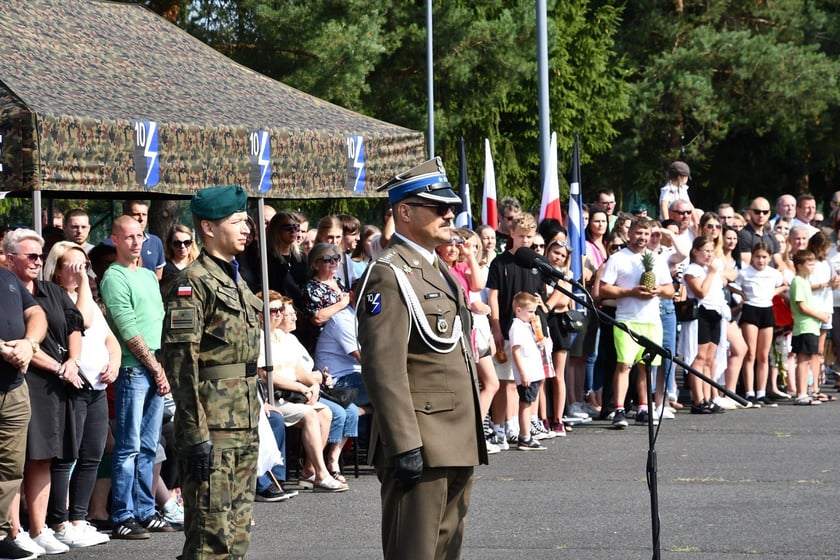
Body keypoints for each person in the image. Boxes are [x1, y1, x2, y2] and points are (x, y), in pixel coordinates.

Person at [357, 157, 487, 560]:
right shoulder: (389, 272)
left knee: (446, 551)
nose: (450, 214)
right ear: (405, 212)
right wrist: (404, 443)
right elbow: (383, 367)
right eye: (439, 207)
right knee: (414, 552)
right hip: (422, 440)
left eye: (451, 207)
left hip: (455, 436)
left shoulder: (439, 268)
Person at [161, 185, 263, 558]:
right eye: (236, 221)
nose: (246, 228)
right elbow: (181, 362)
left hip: (243, 420)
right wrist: (194, 431)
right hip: (213, 426)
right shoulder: (193, 283)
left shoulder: (235, 278)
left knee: (236, 533)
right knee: (209, 536)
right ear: (207, 227)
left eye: (245, 221)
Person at [5, 230, 86, 555]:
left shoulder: (51, 290)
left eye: (41, 256)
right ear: (10, 258)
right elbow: (19, 341)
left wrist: (73, 361)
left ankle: (39, 530)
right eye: (31, 256)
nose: (38, 262)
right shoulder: (7, 289)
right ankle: (13, 530)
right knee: (13, 462)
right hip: (24, 379)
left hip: (56, 385)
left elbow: (75, 325)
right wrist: (58, 366)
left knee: (43, 458)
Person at [100, 215, 172, 539]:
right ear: (114, 239)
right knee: (127, 446)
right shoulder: (113, 277)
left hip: (154, 365)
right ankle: (122, 514)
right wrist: (155, 368)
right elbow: (128, 329)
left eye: (139, 235)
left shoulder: (147, 275)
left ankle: (145, 509)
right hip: (132, 369)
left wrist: (160, 365)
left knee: (148, 444)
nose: (135, 241)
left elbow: (157, 321)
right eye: (128, 236)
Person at [42, 242, 118, 548]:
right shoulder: (54, 298)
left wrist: (113, 362)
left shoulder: (90, 299)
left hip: (98, 387)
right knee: (66, 456)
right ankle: (59, 521)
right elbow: (82, 320)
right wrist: (85, 282)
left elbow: (108, 336)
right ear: (58, 270)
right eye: (72, 266)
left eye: (83, 265)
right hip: (73, 386)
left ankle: (79, 517)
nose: (80, 271)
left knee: (92, 455)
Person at [256, 292, 347, 493]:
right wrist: (301, 387)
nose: (279, 314)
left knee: (326, 412)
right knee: (310, 415)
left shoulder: (281, 336)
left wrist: (312, 386)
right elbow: (264, 374)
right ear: (261, 314)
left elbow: (298, 369)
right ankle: (322, 474)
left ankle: (310, 469)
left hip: (294, 394)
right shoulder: (259, 338)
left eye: (281, 310)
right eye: (274, 310)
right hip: (274, 397)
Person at [599, 216, 674, 428]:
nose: (642, 237)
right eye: (638, 233)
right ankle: (619, 409)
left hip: (651, 320)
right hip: (627, 320)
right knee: (624, 364)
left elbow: (670, 289)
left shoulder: (656, 259)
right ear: (630, 233)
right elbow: (604, 288)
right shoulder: (618, 258)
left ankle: (643, 407)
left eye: (646, 234)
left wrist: (657, 290)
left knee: (646, 366)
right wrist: (630, 292)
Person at [0, 251, 46, 560]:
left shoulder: (7, 277)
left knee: (10, 467)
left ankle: (1, 533)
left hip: (13, 387)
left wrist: (28, 344)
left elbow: (37, 315)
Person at [734, 243, 785, 406]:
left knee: (763, 355)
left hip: (767, 310)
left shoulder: (773, 273)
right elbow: (731, 284)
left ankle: (761, 392)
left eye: (764, 257)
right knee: (750, 353)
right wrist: (741, 294)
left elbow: (784, 284)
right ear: (752, 257)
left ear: (769, 258)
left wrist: (772, 293)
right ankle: (749, 392)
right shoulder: (744, 272)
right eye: (757, 257)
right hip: (750, 309)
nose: (760, 260)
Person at [681, 236, 728, 414]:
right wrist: (710, 273)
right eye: (705, 251)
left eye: (711, 251)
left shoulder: (711, 269)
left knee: (709, 359)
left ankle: (709, 397)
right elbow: (700, 292)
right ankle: (698, 399)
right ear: (695, 251)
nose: (709, 255)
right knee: (699, 358)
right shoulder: (693, 270)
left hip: (715, 313)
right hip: (701, 313)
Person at [509, 292, 551, 450]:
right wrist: (523, 373)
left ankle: (526, 435)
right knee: (526, 404)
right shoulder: (517, 327)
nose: (533, 315)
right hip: (527, 372)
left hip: (533, 371)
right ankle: (525, 436)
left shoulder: (527, 326)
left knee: (529, 402)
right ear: (518, 310)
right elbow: (516, 351)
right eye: (531, 311)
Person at [789, 250, 831, 405]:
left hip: (811, 326)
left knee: (808, 360)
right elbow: (802, 306)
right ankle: (800, 394)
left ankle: (805, 392)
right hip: (804, 326)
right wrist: (820, 315)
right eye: (809, 263)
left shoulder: (805, 282)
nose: (813, 266)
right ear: (799, 266)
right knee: (803, 360)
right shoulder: (798, 281)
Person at [737, 197, 778, 266]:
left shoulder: (771, 236)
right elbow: (745, 265)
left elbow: (779, 263)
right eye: (757, 212)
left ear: (769, 214)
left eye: (765, 212)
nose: (761, 215)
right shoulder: (743, 235)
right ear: (750, 212)